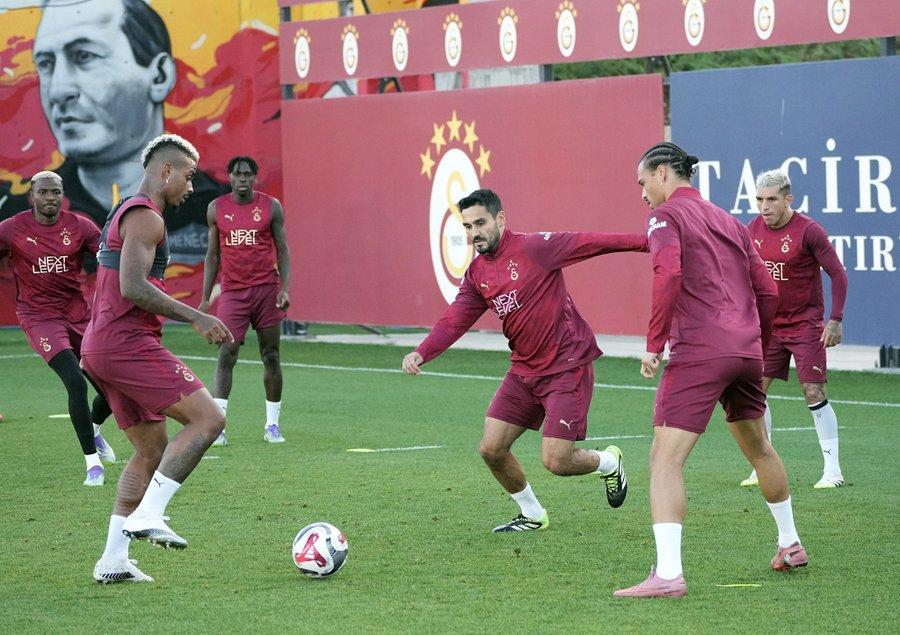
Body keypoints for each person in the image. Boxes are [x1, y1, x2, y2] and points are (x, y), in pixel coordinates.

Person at [614, 143, 807, 599]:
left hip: (699, 350)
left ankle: (667, 575)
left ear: (662, 173)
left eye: (643, 183)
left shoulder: (665, 217)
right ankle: (790, 543)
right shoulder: (731, 221)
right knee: (760, 449)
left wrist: (654, 343)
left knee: (664, 459)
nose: (642, 195)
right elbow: (768, 292)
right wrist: (752, 340)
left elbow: (668, 275)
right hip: (744, 351)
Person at [402, 188, 646, 532]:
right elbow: (455, 319)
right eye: (468, 226)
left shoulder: (536, 248)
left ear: (500, 219)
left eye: (481, 223)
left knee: (557, 461)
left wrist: (649, 241)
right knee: (491, 448)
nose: (474, 233)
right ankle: (532, 514)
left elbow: (592, 241)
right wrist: (422, 351)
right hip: (524, 371)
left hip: (567, 366)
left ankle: (608, 462)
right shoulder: (477, 274)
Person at [82, 134, 232, 584]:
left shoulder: (127, 211)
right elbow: (132, 286)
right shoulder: (147, 217)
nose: (191, 185)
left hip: (103, 345)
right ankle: (150, 513)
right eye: (187, 175)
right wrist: (196, 316)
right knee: (209, 420)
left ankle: (113, 560)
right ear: (165, 171)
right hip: (125, 343)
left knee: (150, 452)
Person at [0, 0, 224, 264]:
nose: (58, 90)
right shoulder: (18, 215)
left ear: (160, 76)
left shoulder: (216, 207)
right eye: (47, 64)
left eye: (84, 56)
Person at [0, 171, 115, 486]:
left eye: (56, 192)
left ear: (62, 195)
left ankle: (93, 429)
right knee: (76, 383)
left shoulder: (79, 226)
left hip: (79, 315)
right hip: (39, 318)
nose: (50, 198)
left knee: (113, 386)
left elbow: (108, 255)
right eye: (44, 192)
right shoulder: (11, 229)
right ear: (32, 195)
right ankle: (93, 464)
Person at [740, 170, 848, 489]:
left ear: (789, 199)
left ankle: (833, 471)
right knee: (754, 392)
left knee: (813, 391)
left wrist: (835, 319)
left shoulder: (809, 231)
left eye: (771, 199)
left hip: (805, 324)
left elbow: (838, 274)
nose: (764, 206)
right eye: (759, 199)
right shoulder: (752, 230)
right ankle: (762, 466)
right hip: (769, 326)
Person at [198, 156, 292, 446]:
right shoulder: (216, 209)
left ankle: (272, 426)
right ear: (228, 177)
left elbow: (283, 249)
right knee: (227, 353)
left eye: (248, 174)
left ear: (255, 178)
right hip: (233, 293)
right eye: (237, 174)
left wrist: (284, 288)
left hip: (266, 290)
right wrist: (204, 300)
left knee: (271, 356)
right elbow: (213, 255)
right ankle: (219, 428)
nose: (242, 179)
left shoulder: (270, 207)